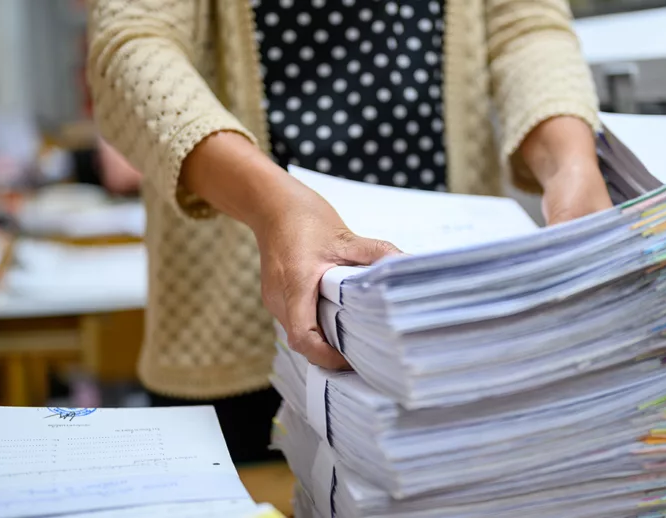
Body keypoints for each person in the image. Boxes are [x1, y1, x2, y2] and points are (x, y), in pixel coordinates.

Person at [86, 0, 612, 463]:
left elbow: (524, 26)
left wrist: (571, 164)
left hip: (441, 321)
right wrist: (273, 208)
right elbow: (131, 46)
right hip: (236, 332)